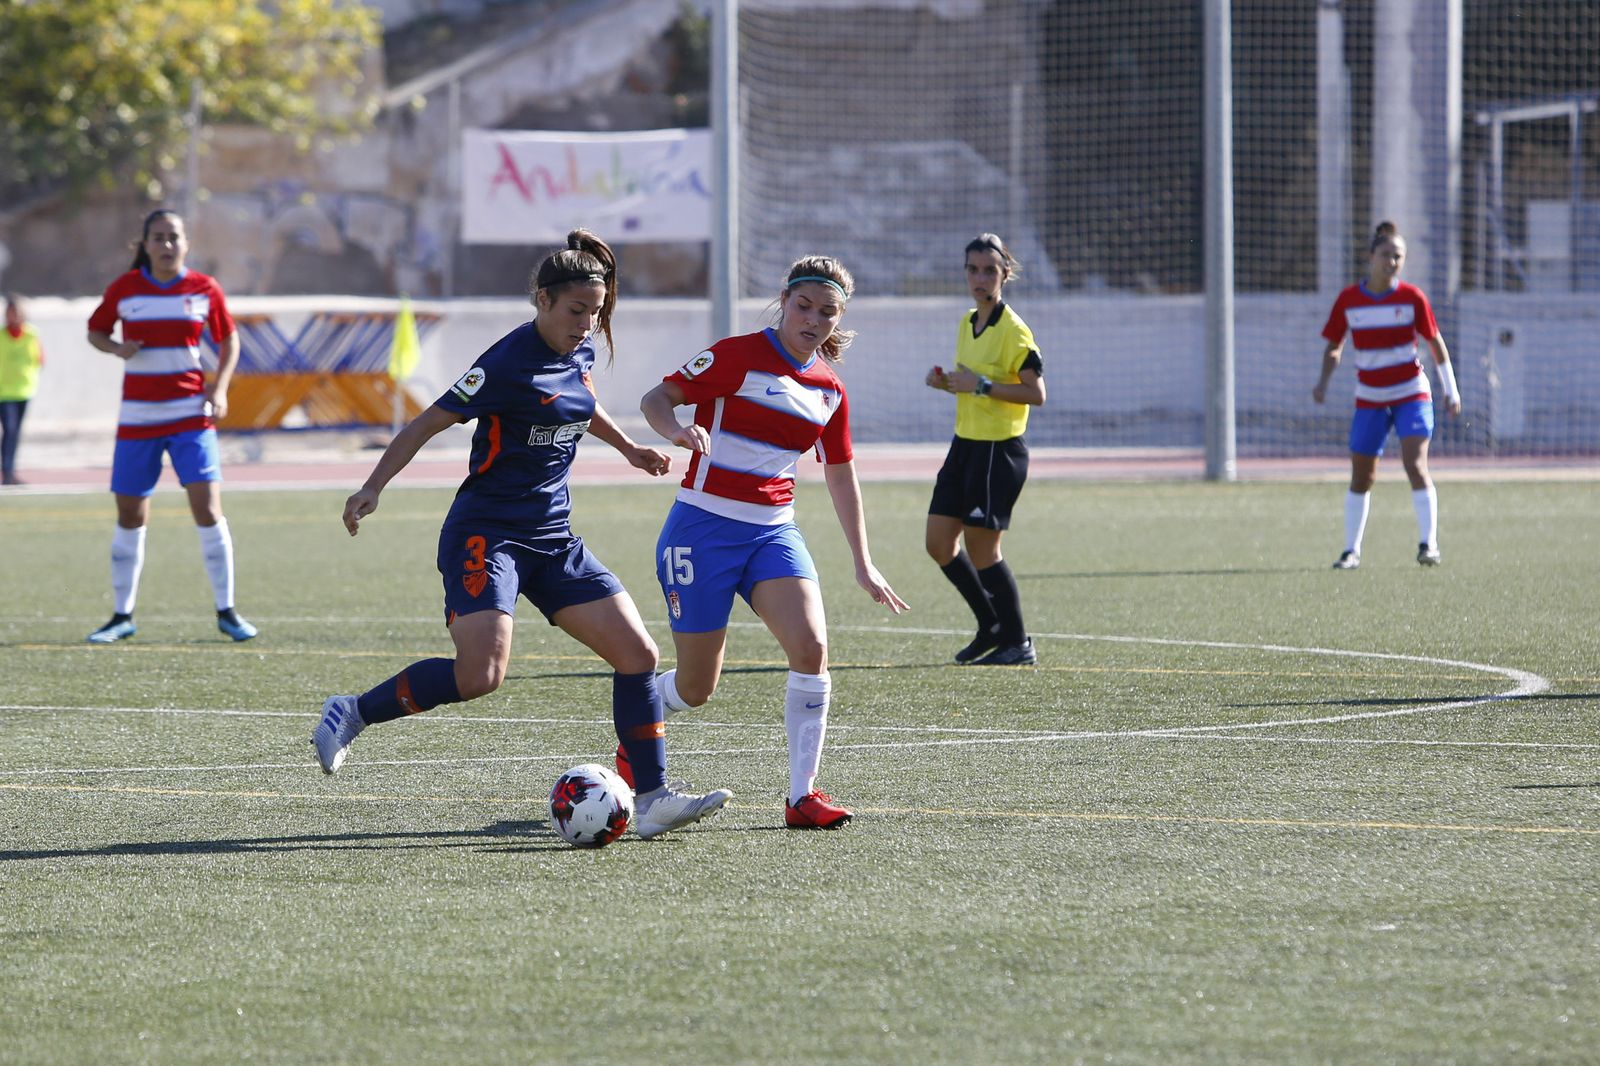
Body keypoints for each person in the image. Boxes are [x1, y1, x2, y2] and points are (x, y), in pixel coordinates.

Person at [311, 229, 731, 842]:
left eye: (595, 311)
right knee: (480, 676)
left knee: (638, 655)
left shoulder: (577, 351)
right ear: (541, 300)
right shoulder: (505, 362)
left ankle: (652, 798)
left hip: (555, 540)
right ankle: (354, 711)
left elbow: (583, 405)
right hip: (488, 535)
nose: (586, 324)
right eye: (575, 311)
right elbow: (426, 423)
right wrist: (372, 486)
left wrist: (632, 449)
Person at [636, 255, 909, 831]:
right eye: (804, 306)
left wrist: (864, 562)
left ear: (839, 319)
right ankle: (636, 734)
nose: (813, 320)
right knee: (695, 687)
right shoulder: (736, 355)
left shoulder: (829, 389)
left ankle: (802, 797)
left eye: (827, 312)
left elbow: (840, 473)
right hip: (702, 529)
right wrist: (678, 431)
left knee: (811, 649)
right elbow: (655, 399)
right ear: (784, 301)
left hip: (773, 532)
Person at [84, 209, 258, 643]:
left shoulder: (204, 289)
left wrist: (219, 389)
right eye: (157, 237)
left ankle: (227, 611)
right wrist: (117, 349)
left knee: (207, 508)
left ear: (186, 243)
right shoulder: (125, 289)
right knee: (130, 514)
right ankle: (122, 615)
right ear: (144, 244)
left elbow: (229, 337)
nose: (166, 245)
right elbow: (95, 331)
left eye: (173, 237)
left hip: (190, 417)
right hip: (138, 418)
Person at [923, 233, 1046, 666]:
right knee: (939, 543)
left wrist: (981, 385)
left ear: (1004, 275)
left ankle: (1018, 641)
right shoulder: (966, 322)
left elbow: (1036, 393)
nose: (980, 278)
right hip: (965, 447)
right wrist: (948, 383)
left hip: (999, 452)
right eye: (973, 269)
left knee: (983, 550)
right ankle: (990, 625)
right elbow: (973, 385)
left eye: (989, 270)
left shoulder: (1014, 330)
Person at [1313, 220, 1461, 569]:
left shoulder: (1412, 298)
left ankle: (1429, 544)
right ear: (1370, 257)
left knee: (1415, 464)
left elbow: (1434, 343)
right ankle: (1351, 551)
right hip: (1370, 397)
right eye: (1385, 255)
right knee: (1363, 475)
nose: (1391, 262)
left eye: (1398, 257)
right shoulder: (1349, 300)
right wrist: (1323, 381)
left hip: (1411, 393)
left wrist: (1450, 390)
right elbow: (1334, 346)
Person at [0, 293, 44, 486]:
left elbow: (39, 359)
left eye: (16, 312)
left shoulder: (31, 335)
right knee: (9, 430)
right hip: (4, 391)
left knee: (15, 432)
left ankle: (10, 470)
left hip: (24, 390)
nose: (14, 316)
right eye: (10, 312)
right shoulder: (1, 336)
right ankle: (7, 471)